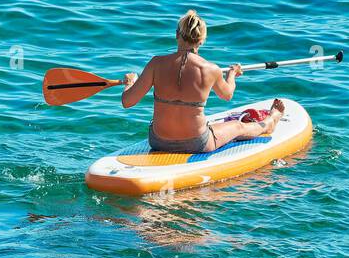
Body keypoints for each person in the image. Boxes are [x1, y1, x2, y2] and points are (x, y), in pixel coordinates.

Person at [121, 9, 285, 153]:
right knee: (237, 126)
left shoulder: (156, 64)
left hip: (158, 141)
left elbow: (127, 101)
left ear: (177, 35)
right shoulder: (210, 69)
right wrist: (232, 75)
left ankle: (269, 122)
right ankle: (270, 122)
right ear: (202, 40)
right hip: (197, 143)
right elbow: (227, 94)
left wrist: (130, 83)